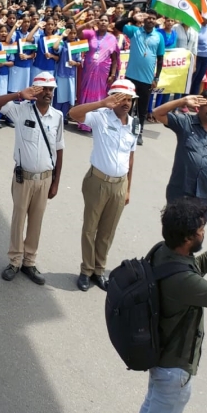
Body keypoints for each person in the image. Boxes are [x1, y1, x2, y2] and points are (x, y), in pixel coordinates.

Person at [138, 199, 207, 413]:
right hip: (173, 374)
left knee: (150, 405)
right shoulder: (183, 281)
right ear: (187, 238)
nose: (203, 232)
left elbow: (196, 266)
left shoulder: (163, 251)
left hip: (160, 358)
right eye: (201, 229)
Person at [0, 72, 64, 286]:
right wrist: (18, 94)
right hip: (23, 178)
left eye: (51, 89)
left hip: (45, 179)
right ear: (35, 91)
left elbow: (59, 150)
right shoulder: (21, 110)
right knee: (18, 219)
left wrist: (56, 182)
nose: (48, 93)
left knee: (36, 221)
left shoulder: (58, 117)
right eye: (44, 89)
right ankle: (14, 261)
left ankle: (29, 262)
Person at [68, 79, 138, 292]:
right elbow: (74, 114)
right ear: (112, 99)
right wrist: (101, 103)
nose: (125, 103)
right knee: (90, 228)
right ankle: (86, 271)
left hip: (119, 185)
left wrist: (128, 189)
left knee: (108, 231)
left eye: (129, 99)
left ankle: (99, 271)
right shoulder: (100, 117)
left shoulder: (135, 123)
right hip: (97, 181)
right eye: (121, 98)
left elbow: (131, 158)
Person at [153, 91, 207, 215]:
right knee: (176, 232)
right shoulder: (185, 123)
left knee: (198, 233)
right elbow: (157, 113)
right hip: (180, 194)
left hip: (205, 197)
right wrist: (182, 101)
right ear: (198, 106)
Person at [115, 12, 165, 144]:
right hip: (131, 76)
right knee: (127, 106)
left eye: (153, 19)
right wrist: (132, 18)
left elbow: (160, 59)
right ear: (144, 19)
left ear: (155, 21)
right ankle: (124, 129)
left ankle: (139, 133)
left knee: (142, 109)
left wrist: (156, 78)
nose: (150, 20)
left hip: (147, 79)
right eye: (148, 18)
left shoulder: (159, 36)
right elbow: (118, 24)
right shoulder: (135, 31)